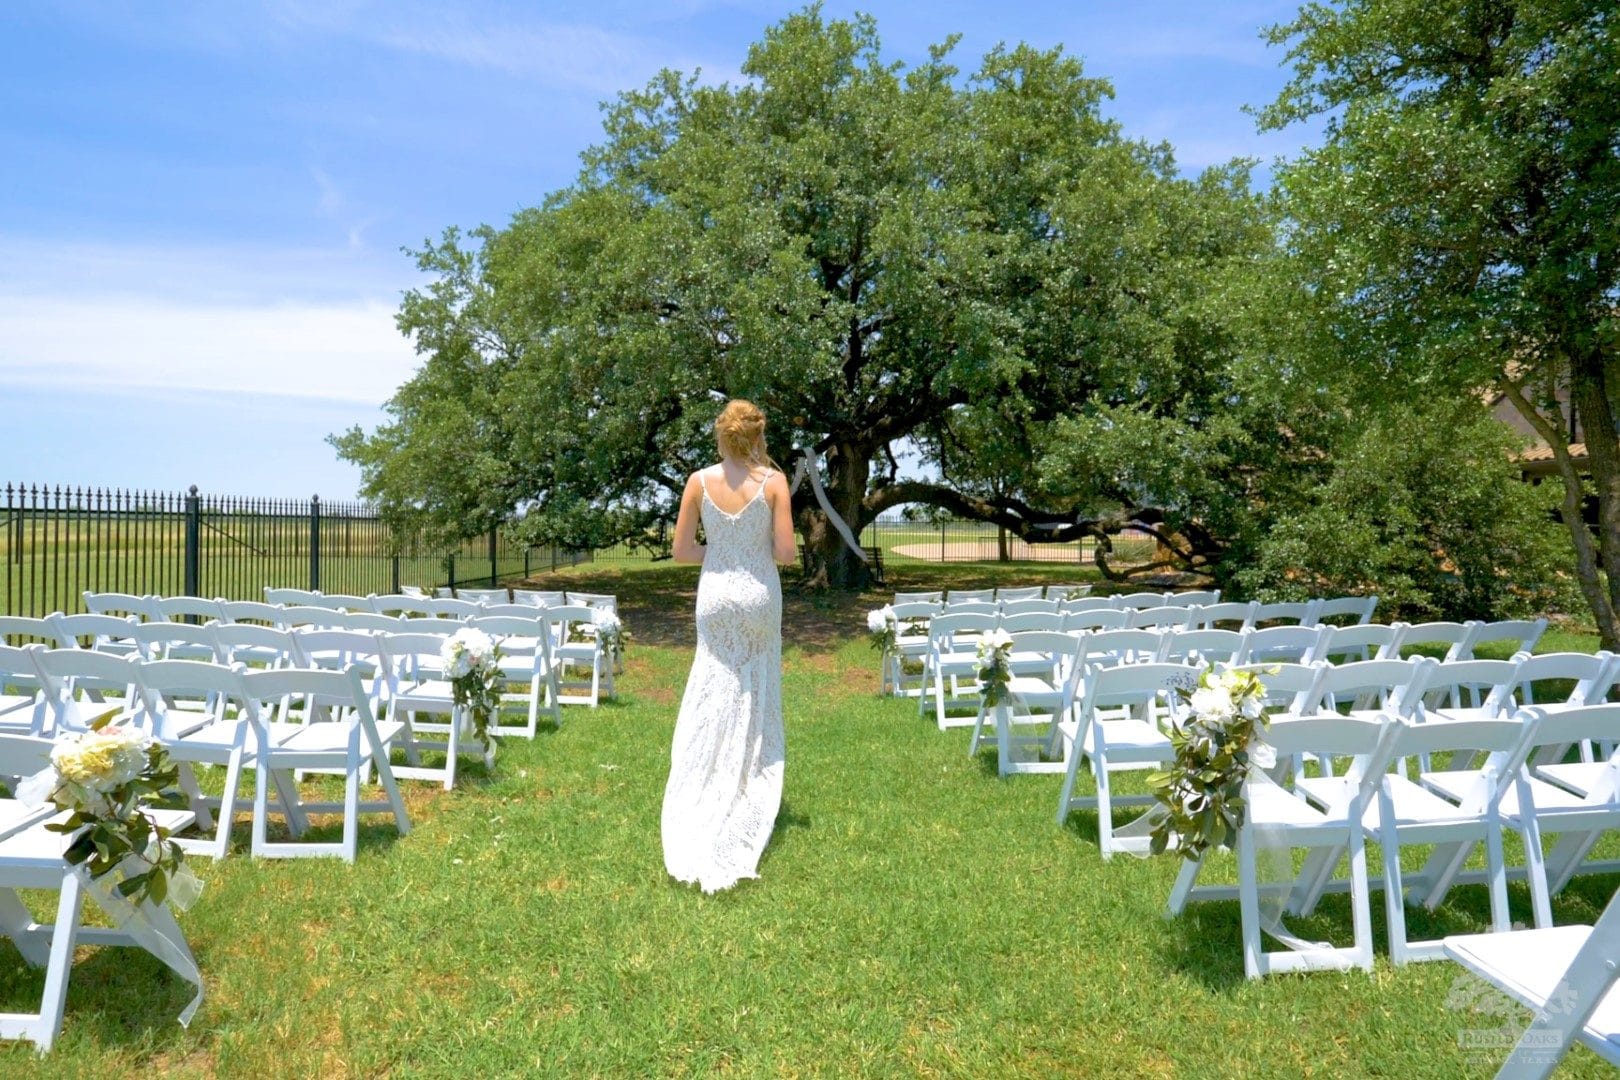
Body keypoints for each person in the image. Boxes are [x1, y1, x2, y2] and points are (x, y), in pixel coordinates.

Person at [661, 399, 798, 892]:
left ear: (721, 436)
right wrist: (750, 553)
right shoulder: (775, 484)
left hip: (715, 596)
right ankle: (746, 782)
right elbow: (785, 553)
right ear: (758, 437)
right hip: (759, 595)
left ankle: (704, 779)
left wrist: (717, 553)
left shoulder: (698, 482)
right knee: (754, 688)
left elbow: (681, 552)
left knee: (711, 687)